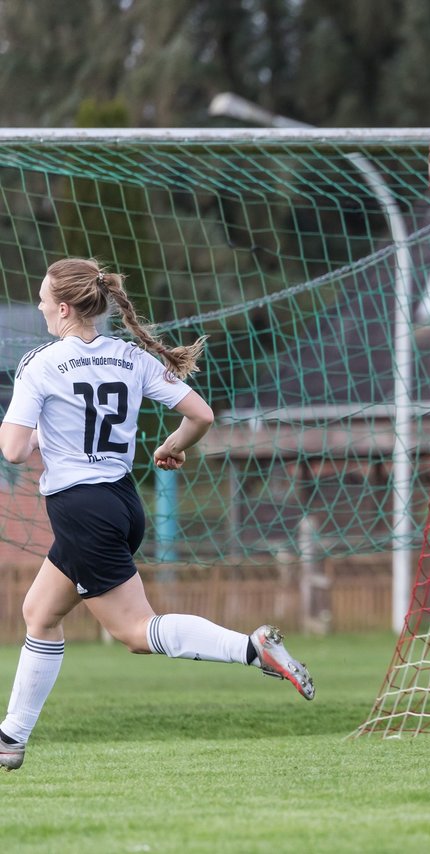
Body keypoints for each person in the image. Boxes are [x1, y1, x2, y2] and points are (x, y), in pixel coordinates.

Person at [0, 258, 314, 772]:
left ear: (61, 307)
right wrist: (170, 445)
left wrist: (25, 427)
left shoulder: (40, 363)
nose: (37, 306)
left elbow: (12, 451)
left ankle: (252, 649)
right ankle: (10, 738)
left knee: (135, 632)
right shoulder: (130, 356)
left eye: (41, 299)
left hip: (81, 508)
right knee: (40, 612)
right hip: (121, 502)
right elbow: (202, 415)